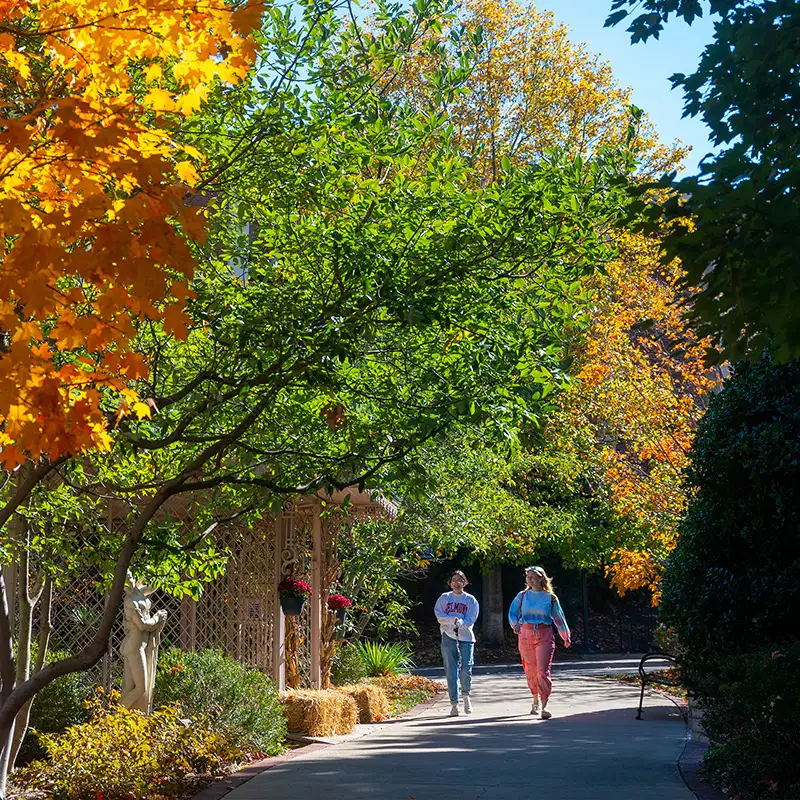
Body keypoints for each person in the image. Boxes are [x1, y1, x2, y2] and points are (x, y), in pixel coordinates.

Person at [508, 566, 571, 719]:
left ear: (541, 578)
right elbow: (512, 613)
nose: (530, 579)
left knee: (543, 670)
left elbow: (559, 618)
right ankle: (534, 698)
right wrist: (515, 624)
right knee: (530, 670)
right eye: (528, 576)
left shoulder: (550, 597)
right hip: (525, 634)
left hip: (544, 634)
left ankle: (544, 705)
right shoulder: (522, 596)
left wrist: (565, 636)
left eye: (533, 576)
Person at [434, 570, 480, 716]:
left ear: (464, 582)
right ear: (450, 583)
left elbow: (471, 618)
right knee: (451, 671)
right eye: (454, 579)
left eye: (460, 579)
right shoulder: (444, 598)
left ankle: (466, 696)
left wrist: (462, 623)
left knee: (466, 668)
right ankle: (454, 703)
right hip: (448, 636)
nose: (456, 582)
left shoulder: (470, 600)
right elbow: (439, 616)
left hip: (466, 637)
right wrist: (452, 620)